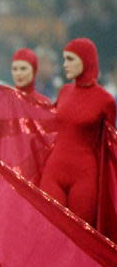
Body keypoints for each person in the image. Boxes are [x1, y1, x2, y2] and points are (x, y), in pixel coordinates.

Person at [40, 38, 116, 226]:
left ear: (87, 60)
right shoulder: (64, 91)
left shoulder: (105, 100)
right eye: (64, 59)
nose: (65, 64)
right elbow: (45, 124)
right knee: (48, 227)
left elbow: (110, 145)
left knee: (81, 236)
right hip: (53, 171)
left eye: (71, 59)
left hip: (85, 177)